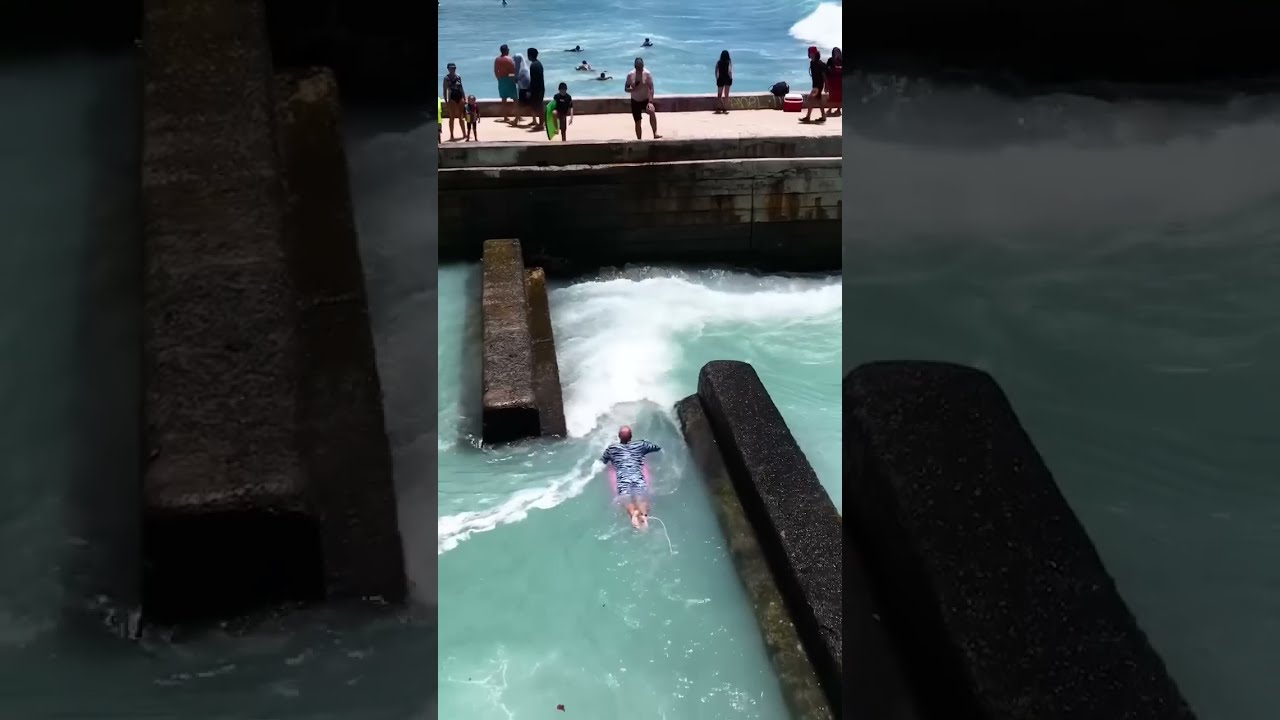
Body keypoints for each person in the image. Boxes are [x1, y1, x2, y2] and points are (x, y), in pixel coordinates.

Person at [601, 426, 661, 529]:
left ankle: (633, 514)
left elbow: (603, 461)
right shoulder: (641, 445)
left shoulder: (612, 448)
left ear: (619, 436)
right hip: (638, 478)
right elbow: (657, 448)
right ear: (631, 437)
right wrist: (644, 448)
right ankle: (644, 515)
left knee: (626, 500)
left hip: (623, 480)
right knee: (642, 499)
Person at [625, 57, 661, 140]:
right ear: (635, 66)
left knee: (652, 112)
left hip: (645, 100)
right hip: (635, 101)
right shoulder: (630, 75)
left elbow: (651, 88)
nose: (639, 69)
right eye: (638, 67)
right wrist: (631, 89)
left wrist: (650, 102)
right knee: (638, 122)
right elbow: (626, 88)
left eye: (641, 67)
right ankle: (639, 139)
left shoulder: (647, 74)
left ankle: (655, 133)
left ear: (643, 66)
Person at [801, 46, 827, 123]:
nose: (809, 54)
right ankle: (823, 116)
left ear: (814, 54)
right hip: (815, 84)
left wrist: (826, 86)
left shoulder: (819, 64)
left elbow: (824, 76)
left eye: (810, 52)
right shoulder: (812, 63)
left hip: (818, 85)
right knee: (819, 101)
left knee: (810, 99)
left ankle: (808, 117)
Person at [494, 45, 518, 123]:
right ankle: (517, 116)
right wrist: (513, 79)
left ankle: (505, 117)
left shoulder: (497, 59)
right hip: (509, 80)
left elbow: (495, 71)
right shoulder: (510, 59)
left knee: (503, 99)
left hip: (501, 80)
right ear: (507, 50)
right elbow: (512, 71)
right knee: (515, 99)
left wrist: (499, 79)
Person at [442, 62, 466, 140]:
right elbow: (445, 90)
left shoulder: (458, 77)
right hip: (452, 98)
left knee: (461, 117)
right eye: (452, 68)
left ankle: (464, 134)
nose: (453, 69)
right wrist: (446, 101)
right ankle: (451, 135)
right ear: (448, 69)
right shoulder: (446, 78)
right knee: (452, 117)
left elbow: (461, 87)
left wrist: (464, 97)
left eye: (454, 68)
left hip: (459, 97)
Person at [527, 47, 546, 132]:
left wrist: (530, 90)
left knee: (538, 107)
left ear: (530, 55)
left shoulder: (533, 65)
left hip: (537, 89)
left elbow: (533, 80)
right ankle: (542, 122)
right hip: (540, 88)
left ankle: (541, 124)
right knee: (539, 106)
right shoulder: (539, 64)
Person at [513, 52, 532, 127]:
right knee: (531, 104)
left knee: (520, 104)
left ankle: (516, 120)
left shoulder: (521, 70)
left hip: (523, 89)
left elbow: (516, 78)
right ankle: (534, 120)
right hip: (527, 88)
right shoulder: (525, 68)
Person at [714, 49, 733, 114]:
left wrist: (717, 78)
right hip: (727, 78)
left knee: (719, 94)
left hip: (720, 79)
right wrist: (731, 78)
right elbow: (729, 71)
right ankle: (724, 108)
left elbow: (716, 71)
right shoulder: (729, 62)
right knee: (726, 95)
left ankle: (719, 107)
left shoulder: (718, 62)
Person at [826, 47, 842, 116]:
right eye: (835, 52)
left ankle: (838, 110)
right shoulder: (830, 60)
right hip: (832, 81)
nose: (837, 53)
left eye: (838, 51)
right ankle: (830, 109)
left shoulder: (841, 60)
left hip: (840, 81)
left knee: (839, 97)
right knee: (831, 96)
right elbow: (827, 70)